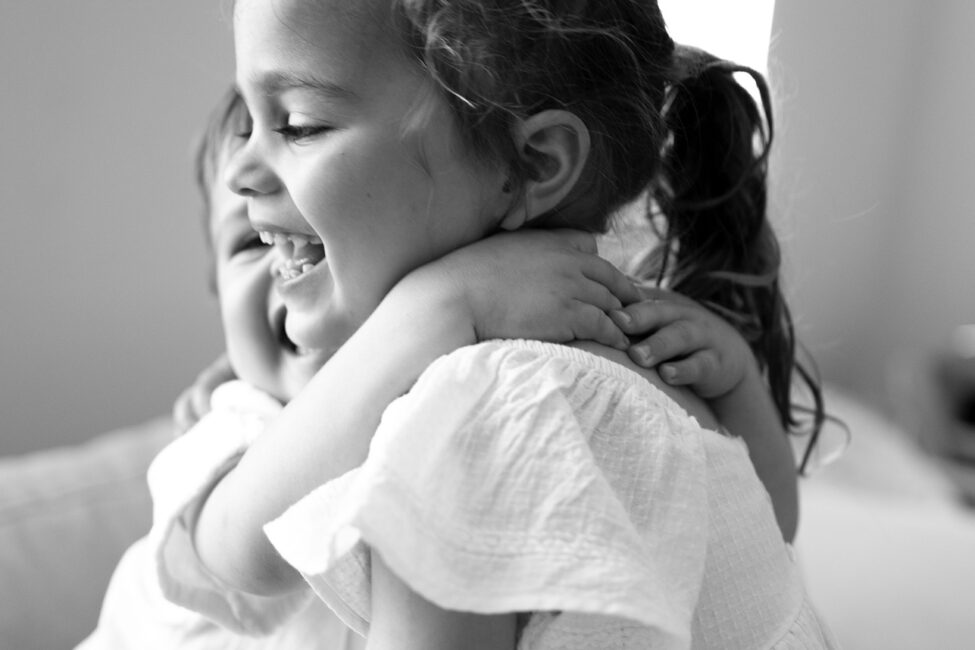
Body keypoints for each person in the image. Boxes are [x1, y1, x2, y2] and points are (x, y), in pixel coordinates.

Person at [172, 0, 837, 647]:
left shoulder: (485, 401)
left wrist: (443, 306)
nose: (239, 171)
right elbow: (768, 538)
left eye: (297, 123)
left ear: (536, 164)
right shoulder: (578, 358)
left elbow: (758, 537)